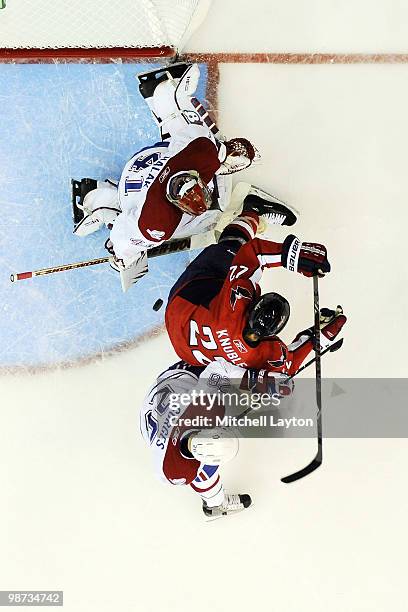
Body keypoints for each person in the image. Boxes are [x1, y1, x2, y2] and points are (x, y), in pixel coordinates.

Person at [71, 63, 296, 289]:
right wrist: (123, 254)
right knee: (213, 214)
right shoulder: (158, 222)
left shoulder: (201, 154)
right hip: (141, 178)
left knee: (193, 152)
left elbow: (202, 147)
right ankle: (100, 200)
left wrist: (228, 153)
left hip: (140, 173)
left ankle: (165, 99)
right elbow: (124, 237)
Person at [165, 201, 347, 373]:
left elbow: (253, 252)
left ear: (253, 308)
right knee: (233, 373)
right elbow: (287, 367)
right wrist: (320, 337)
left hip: (184, 305)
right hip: (186, 352)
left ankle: (253, 211)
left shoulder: (234, 307)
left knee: (233, 249)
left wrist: (295, 256)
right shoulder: (259, 355)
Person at [140, 357, 294, 519]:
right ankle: (215, 503)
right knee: (202, 473)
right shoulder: (174, 468)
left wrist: (264, 382)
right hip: (153, 410)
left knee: (232, 367)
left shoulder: (200, 403)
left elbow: (218, 367)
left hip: (181, 375)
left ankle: (215, 503)